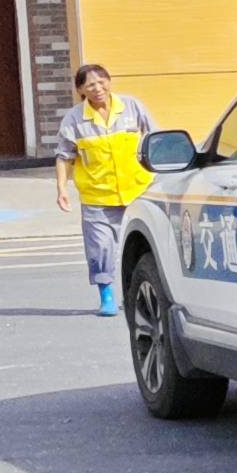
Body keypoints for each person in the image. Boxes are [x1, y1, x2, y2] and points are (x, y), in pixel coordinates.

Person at [53, 62, 156, 317]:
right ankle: (106, 294)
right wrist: (61, 189)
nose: (98, 88)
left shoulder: (131, 107)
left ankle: (138, 292)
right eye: (90, 85)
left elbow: (155, 137)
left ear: (109, 82)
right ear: (80, 90)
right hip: (97, 195)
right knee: (100, 247)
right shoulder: (74, 119)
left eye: (102, 82)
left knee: (142, 245)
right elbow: (64, 157)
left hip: (138, 191)